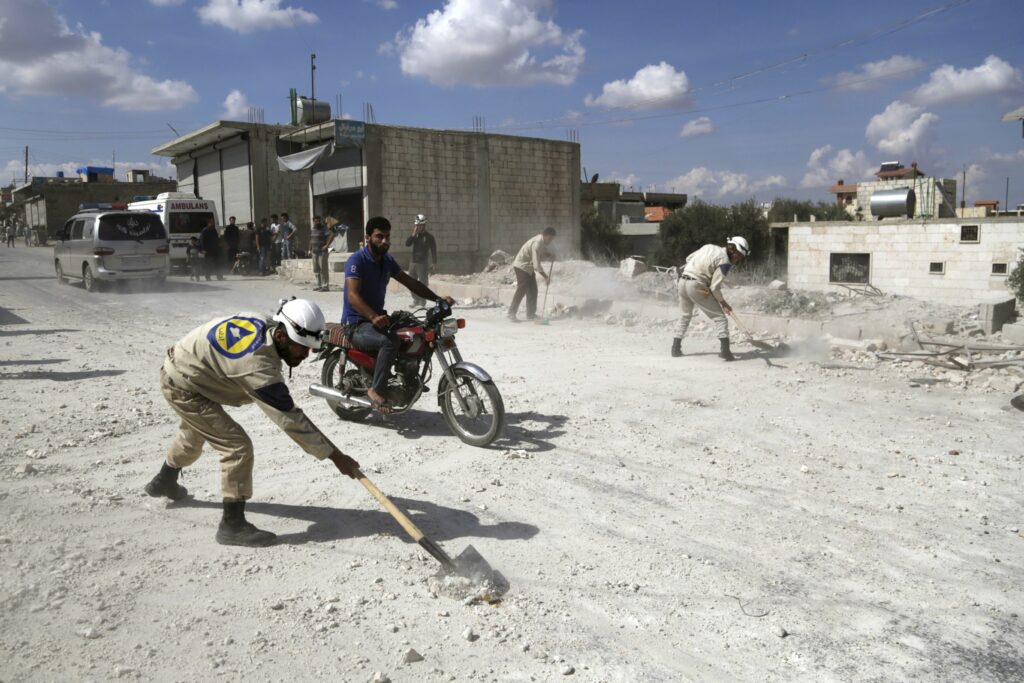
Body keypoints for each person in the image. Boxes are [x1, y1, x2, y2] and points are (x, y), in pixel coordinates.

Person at [143, 298, 361, 547]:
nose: (306, 354)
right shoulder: (258, 367)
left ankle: (164, 481)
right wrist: (335, 456)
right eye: (301, 347)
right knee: (236, 447)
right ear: (281, 337)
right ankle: (232, 526)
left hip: (192, 371)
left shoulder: (265, 323)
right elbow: (291, 420)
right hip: (184, 384)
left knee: (195, 433)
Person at [342, 216, 455, 413]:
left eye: (387, 236)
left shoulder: (387, 261)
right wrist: (372, 316)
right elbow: (352, 295)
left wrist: (438, 299)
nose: (384, 241)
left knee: (414, 329)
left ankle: (408, 379)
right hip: (357, 323)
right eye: (379, 236)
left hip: (376, 319)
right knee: (390, 341)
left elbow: (410, 282)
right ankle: (376, 390)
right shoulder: (357, 260)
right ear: (368, 237)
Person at [671, 236, 750, 361]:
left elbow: (688, 259)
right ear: (732, 249)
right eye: (738, 255)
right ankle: (725, 351)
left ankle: (675, 348)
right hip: (696, 285)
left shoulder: (709, 246)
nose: (738, 258)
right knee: (720, 318)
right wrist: (723, 303)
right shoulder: (725, 262)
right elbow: (714, 287)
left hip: (682, 282)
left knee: (685, 315)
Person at [507, 227, 556, 321]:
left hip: (528, 267)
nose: (550, 241)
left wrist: (549, 255)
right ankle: (511, 313)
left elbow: (542, 250)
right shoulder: (537, 243)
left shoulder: (541, 241)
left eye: (552, 239)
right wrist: (546, 277)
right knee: (522, 288)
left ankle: (531, 314)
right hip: (522, 266)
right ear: (546, 236)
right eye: (550, 239)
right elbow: (536, 265)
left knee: (533, 290)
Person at [405, 213, 437, 307]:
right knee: (411, 283)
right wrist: (413, 234)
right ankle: (416, 300)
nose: (418, 227)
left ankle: (422, 302)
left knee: (423, 284)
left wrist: (434, 262)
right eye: (416, 225)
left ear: (424, 225)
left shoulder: (429, 237)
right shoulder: (415, 236)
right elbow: (407, 244)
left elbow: (433, 250)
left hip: (423, 264)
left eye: (419, 225)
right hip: (413, 262)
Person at [309, 215, 331, 292]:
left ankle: (325, 286)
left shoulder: (324, 228)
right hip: (314, 252)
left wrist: (327, 245)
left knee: (323, 269)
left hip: (322, 252)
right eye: (316, 221)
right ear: (313, 221)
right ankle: (319, 285)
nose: (317, 222)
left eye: (319, 220)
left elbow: (331, 235)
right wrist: (309, 249)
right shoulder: (313, 229)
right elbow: (311, 239)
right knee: (316, 269)